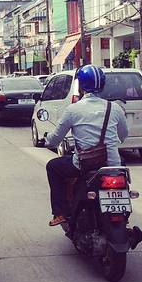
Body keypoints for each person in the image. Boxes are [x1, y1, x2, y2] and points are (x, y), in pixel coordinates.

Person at [40, 65, 128, 227]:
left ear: (81, 86)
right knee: (122, 166)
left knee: (53, 166)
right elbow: (123, 135)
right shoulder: (115, 108)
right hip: (112, 165)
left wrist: (46, 140)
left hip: (83, 165)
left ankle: (60, 213)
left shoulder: (73, 110)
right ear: (102, 85)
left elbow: (55, 139)